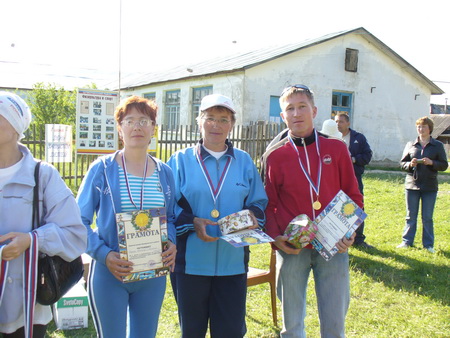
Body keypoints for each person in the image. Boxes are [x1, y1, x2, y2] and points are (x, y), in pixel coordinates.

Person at [261, 84, 363, 337]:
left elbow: (353, 195)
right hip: (293, 246)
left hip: (334, 244)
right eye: (290, 109)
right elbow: (269, 203)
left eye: (302, 107)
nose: (296, 114)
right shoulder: (274, 156)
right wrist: (276, 238)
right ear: (283, 116)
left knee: (334, 320)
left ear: (314, 110)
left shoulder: (337, 149)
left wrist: (350, 231)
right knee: (292, 323)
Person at [167, 94, 268, 337]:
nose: (216, 125)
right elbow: (167, 208)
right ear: (198, 121)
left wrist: (252, 217)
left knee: (230, 331)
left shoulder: (244, 161)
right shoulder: (179, 161)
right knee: (192, 331)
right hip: (190, 264)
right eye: (210, 118)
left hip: (232, 263)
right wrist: (192, 223)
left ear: (232, 124)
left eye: (223, 119)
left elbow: (259, 202)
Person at [76, 96, 177, 337]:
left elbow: (172, 217)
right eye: (130, 120)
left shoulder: (165, 173)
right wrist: (104, 254)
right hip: (111, 273)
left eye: (144, 120)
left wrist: (171, 242)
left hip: (152, 276)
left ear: (154, 128)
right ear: (120, 129)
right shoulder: (102, 169)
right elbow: (78, 222)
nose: (137, 127)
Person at [0, 91, 87, 337]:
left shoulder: (43, 175)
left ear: (16, 126)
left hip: (27, 307)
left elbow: (75, 235)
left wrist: (31, 240)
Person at [398, 116, 448, 253]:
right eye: (419, 127)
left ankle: (428, 245)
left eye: (424, 127)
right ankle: (407, 241)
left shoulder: (437, 145)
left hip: (429, 186)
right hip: (412, 185)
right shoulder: (411, 144)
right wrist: (410, 164)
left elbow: (444, 165)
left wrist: (432, 163)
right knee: (410, 216)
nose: (421, 129)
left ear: (430, 129)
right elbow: (402, 164)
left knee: (427, 217)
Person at [335, 112, 373, 249]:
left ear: (348, 123)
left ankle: (358, 239)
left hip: (354, 177)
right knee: (337, 208)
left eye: (341, 122)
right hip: (335, 179)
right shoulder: (331, 137)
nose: (338, 124)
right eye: (336, 122)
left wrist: (354, 159)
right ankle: (337, 236)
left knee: (357, 207)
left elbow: (367, 155)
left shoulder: (358, 138)